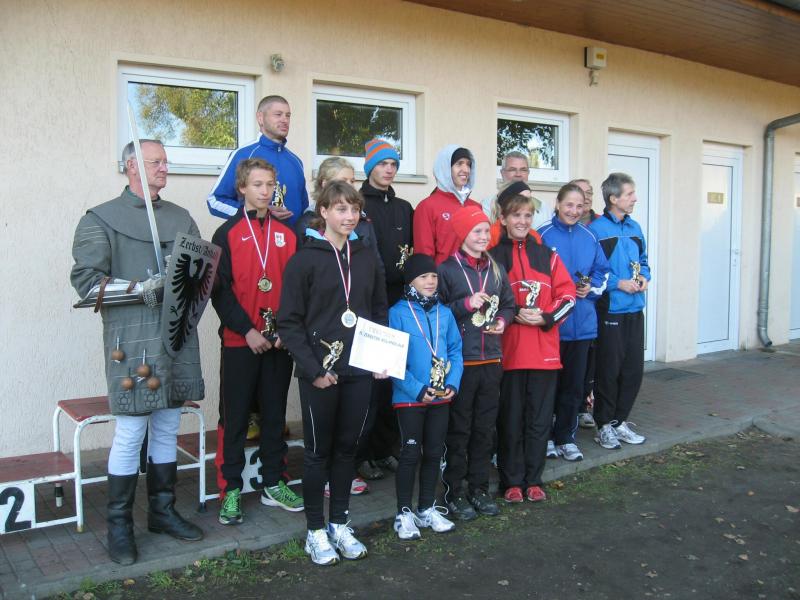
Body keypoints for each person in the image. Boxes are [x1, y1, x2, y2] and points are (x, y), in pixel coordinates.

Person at [70, 139, 204, 565]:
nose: (165, 167)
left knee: (167, 427)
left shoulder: (181, 217)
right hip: (131, 339)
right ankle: (119, 526)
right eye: (155, 162)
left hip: (176, 336)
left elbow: (199, 273)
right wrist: (138, 288)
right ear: (131, 166)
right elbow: (86, 283)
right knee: (131, 432)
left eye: (165, 161)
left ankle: (162, 512)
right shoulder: (99, 219)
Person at [278, 181, 388, 565]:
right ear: (323, 212)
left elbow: (378, 311)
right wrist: (313, 370)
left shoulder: (366, 257)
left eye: (354, 209)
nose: (349, 216)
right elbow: (288, 322)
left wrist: (379, 358)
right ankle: (315, 531)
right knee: (317, 454)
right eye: (341, 209)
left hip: (359, 370)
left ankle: (339, 524)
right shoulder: (304, 260)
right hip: (320, 373)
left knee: (347, 450)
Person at [211, 158, 302, 526]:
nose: (265, 191)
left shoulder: (289, 234)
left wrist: (285, 332)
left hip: (279, 343)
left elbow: (297, 290)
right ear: (242, 189)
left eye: (270, 185)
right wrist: (247, 331)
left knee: (274, 415)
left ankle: (273, 482)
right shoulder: (225, 234)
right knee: (234, 417)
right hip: (240, 341)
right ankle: (230, 488)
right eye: (257, 184)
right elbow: (219, 292)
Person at [489, 192, 576, 502]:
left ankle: (533, 479)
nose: (523, 221)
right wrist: (512, 313)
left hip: (544, 355)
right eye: (516, 215)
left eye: (528, 215)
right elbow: (488, 301)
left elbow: (568, 297)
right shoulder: (492, 256)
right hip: (509, 354)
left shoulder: (547, 255)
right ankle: (511, 482)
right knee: (510, 421)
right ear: (503, 219)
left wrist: (546, 317)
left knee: (539, 422)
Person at [437, 206, 515, 520]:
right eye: (477, 231)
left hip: (491, 359)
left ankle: (479, 488)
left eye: (486, 231)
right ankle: (454, 492)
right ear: (462, 234)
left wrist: (503, 321)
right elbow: (437, 313)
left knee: (484, 429)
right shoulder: (447, 270)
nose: (484, 237)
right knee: (459, 430)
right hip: (461, 362)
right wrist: (466, 304)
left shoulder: (496, 268)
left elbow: (508, 304)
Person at [388, 253, 463, 540]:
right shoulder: (397, 313)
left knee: (434, 452)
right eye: (423, 277)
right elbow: (392, 360)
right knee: (410, 454)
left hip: (441, 396)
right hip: (410, 397)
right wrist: (417, 388)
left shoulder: (445, 313)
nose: (430, 281)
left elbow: (455, 351)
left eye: (433, 276)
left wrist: (452, 383)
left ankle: (426, 508)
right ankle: (403, 513)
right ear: (410, 281)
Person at [356, 138, 414, 481]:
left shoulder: (404, 207)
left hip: (400, 298)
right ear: (369, 167)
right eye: (382, 163)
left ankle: (385, 448)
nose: (389, 169)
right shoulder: (359, 204)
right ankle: (362, 454)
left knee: (394, 377)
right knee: (370, 382)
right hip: (370, 300)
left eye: (393, 164)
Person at [538, 183, 610, 462]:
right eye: (569, 204)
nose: (574, 211)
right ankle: (545, 438)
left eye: (579, 206)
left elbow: (602, 272)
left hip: (583, 327)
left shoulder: (589, 236)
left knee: (573, 388)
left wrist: (590, 287)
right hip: (553, 328)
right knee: (548, 389)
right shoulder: (542, 235)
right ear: (557, 204)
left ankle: (566, 438)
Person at [589, 173, 651, 449]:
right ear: (613, 198)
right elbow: (591, 270)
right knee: (608, 370)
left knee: (633, 370)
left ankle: (619, 422)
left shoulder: (635, 227)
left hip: (635, 309)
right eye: (629, 194)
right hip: (610, 310)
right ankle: (603, 425)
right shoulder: (596, 230)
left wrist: (644, 277)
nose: (635, 198)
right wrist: (618, 283)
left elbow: (644, 261)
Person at [208, 95, 308, 225]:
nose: (285, 120)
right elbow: (214, 201)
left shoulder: (296, 161)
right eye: (278, 114)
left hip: (292, 238)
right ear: (260, 118)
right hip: (254, 236)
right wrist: (258, 214)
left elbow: (305, 210)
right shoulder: (243, 155)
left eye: (288, 116)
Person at [413, 145, 481, 265]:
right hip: (442, 276)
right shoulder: (427, 207)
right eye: (459, 164)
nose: (466, 169)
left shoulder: (476, 207)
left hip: (473, 276)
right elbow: (424, 256)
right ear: (445, 168)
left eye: (468, 164)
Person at [570, 178, 601, 428]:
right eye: (580, 193)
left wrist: (592, 288)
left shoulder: (596, 228)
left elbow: (603, 270)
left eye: (589, 193)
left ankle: (583, 408)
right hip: (562, 318)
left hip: (591, 311)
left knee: (588, 366)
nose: (586, 197)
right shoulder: (549, 231)